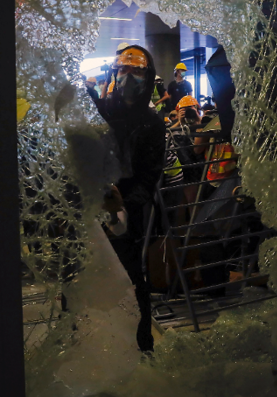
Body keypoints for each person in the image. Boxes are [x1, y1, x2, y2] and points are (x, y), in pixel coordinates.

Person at [93, 45, 165, 352]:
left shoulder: (152, 122)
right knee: (86, 284)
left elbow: (149, 178)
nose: (129, 76)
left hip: (127, 217)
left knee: (133, 281)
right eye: (123, 69)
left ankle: (142, 349)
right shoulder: (98, 112)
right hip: (90, 212)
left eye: (137, 70)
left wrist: (123, 204)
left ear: (147, 77)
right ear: (113, 72)